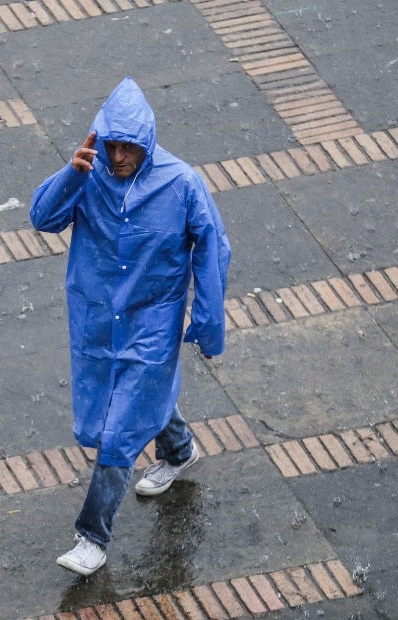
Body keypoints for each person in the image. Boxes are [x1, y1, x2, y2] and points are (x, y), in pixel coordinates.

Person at [30, 76, 231, 576]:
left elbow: (212, 249)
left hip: (153, 323)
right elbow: (43, 218)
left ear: (147, 142)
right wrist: (70, 177)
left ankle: (91, 536)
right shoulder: (87, 173)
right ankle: (179, 449)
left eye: (129, 147)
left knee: (118, 432)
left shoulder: (181, 183)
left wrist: (206, 318)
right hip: (97, 318)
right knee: (127, 402)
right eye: (112, 145)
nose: (118, 156)